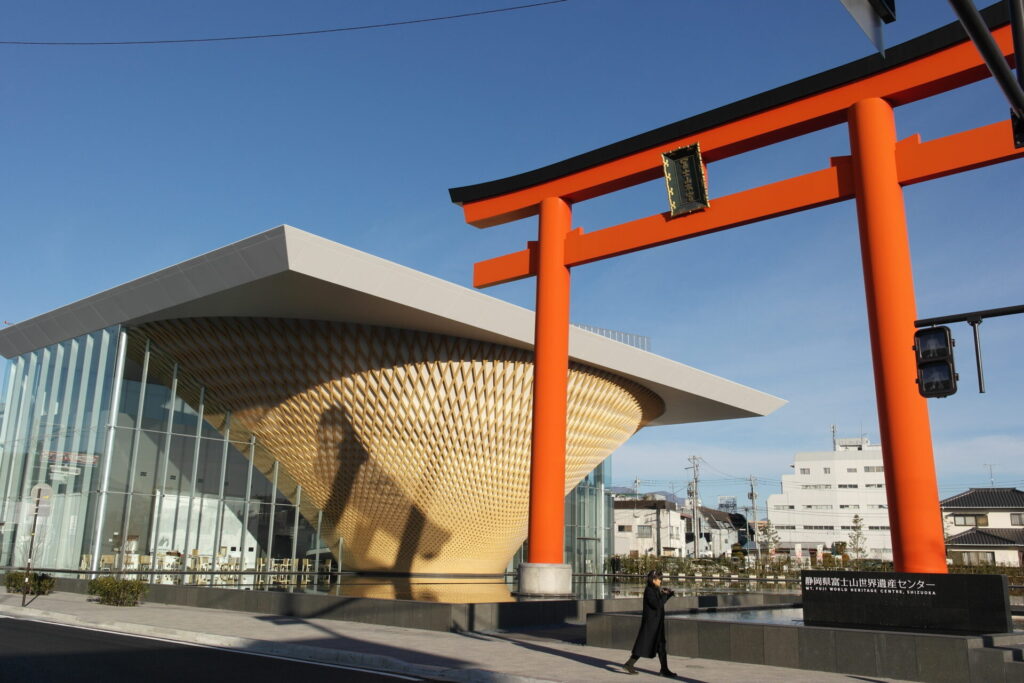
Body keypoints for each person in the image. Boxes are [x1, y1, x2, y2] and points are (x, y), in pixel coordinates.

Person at [622, 569, 676, 677]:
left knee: (661, 645)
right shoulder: (649, 591)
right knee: (644, 644)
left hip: (657, 623)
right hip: (651, 624)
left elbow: (659, 601)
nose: (661, 581)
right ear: (654, 580)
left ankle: (664, 669)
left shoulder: (655, 589)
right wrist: (666, 596)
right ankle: (629, 664)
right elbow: (656, 604)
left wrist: (668, 594)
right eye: (659, 579)